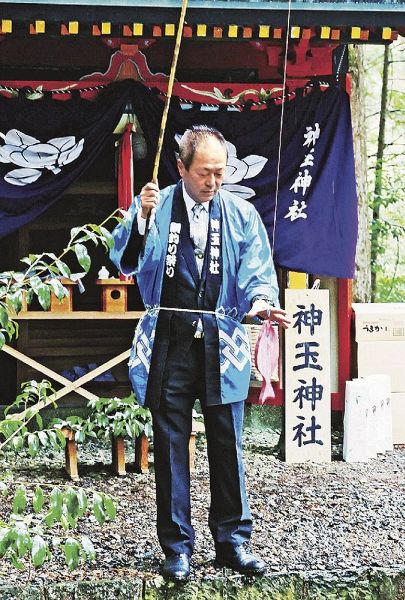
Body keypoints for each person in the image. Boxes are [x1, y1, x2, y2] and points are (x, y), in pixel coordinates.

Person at [110, 125, 290, 582]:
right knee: (171, 446)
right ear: (182, 168)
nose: (214, 181)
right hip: (169, 338)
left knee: (227, 443)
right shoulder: (156, 204)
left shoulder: (239, 213)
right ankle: (176, 547)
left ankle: (233, 541)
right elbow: (125, 261)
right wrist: (144, 221)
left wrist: (263, 304)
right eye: (205, 172)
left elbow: (256, 272)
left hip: (221, 336)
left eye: (220, 172)